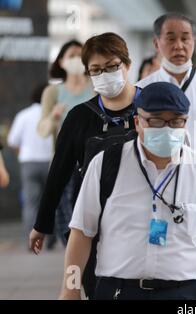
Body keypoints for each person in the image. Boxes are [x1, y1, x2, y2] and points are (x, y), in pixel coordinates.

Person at [58, 82, 196, 300]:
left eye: (176, 121)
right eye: (156, 121)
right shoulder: (105, 166)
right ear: (137, 122)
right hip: (119, 292)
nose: (167, 129)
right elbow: (81, 233)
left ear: (185, 123)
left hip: (186, 294)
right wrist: (70, 289)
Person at [30, 33, 140, 256]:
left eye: (111, 66)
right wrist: (41, 224)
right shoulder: (79, 116)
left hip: (144, 218)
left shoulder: (152, 109)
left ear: (127, 64)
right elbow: (59, 171)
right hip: (94, 223)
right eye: (96, 70)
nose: (104, 74)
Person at [137, 13, 196, 184]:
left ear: (194, 41)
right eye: (171, 39)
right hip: (158, 182)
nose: (179, 46)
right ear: (156, 43)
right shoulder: (143, 88)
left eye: (185, 38)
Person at [38, 40, 94, 247]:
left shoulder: (96, 88)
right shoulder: (53, 93)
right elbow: (42, 130)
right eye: (71, 55)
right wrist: (53, 117)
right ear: (61, 61)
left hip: (93, 161)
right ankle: (75, 267)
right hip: (66, 163)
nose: (76, 59)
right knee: (69, 222)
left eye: (81, 55)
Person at [7, 84, 53, 243]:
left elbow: (12, 141)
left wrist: (22, 153)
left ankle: (31, 240)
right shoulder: (53, 115)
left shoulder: (23, 115)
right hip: (51, 162)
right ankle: (51, 239)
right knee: (52, 201)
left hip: (29, 163)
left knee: (31, 203)